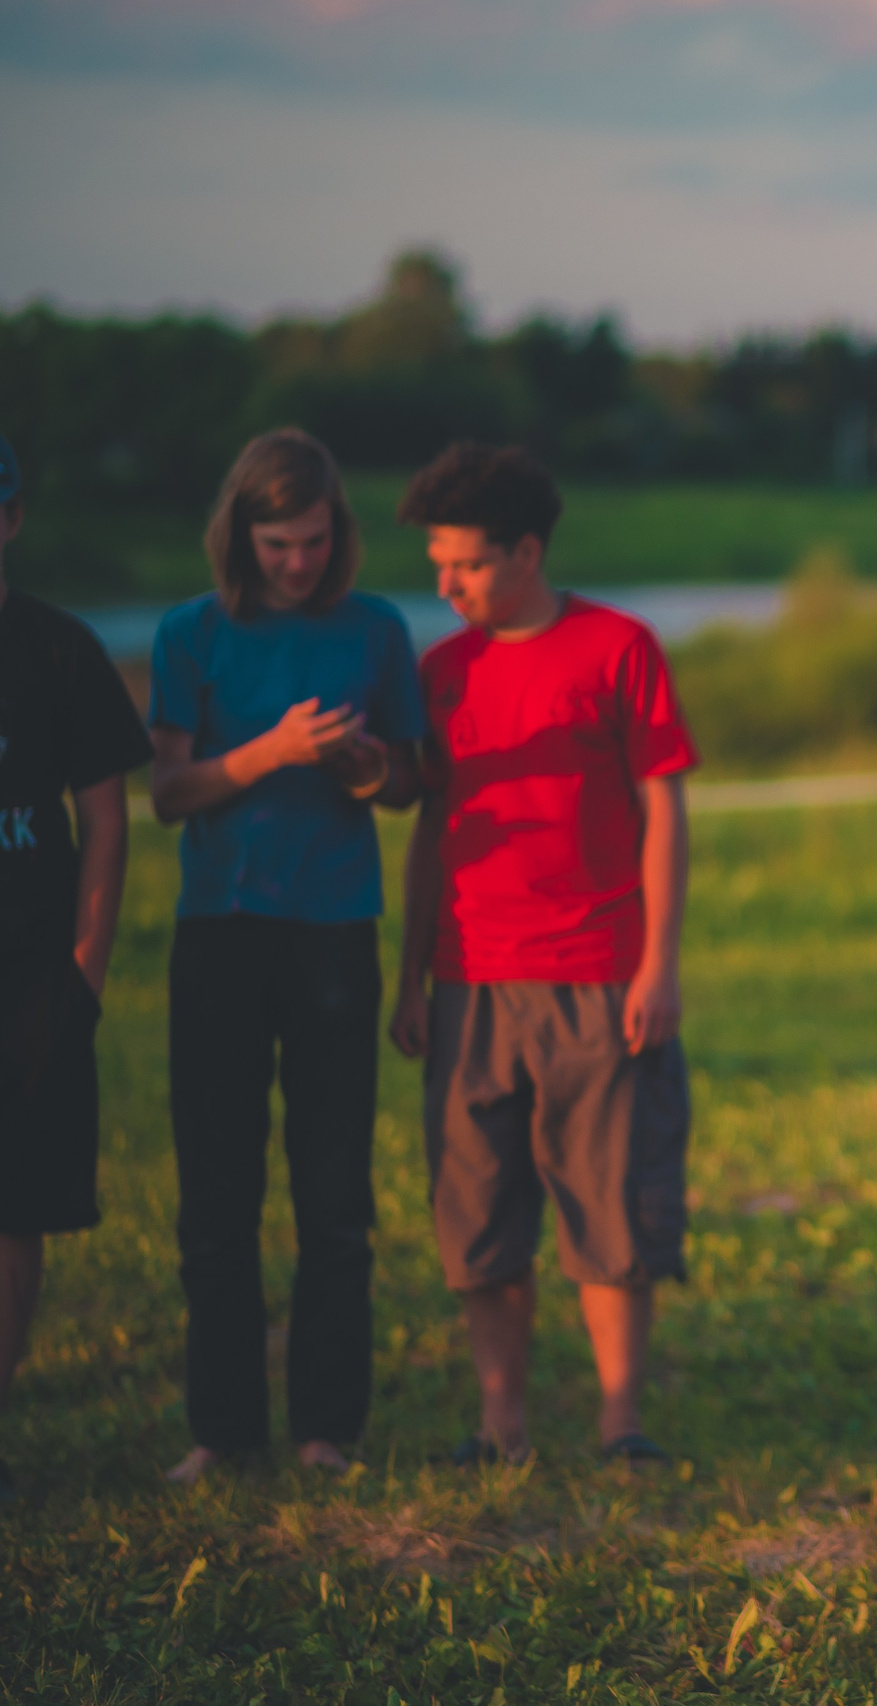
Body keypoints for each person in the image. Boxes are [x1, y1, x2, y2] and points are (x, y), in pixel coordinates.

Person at [388, 443, 697, 1467]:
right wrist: (411, 977)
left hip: (599, 974)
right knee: (477, 1210)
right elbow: (431, 828)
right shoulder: (440, 672)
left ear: (525, 550)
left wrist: (658, 964)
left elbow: (663, 804)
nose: (446, 585)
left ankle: (621, 1423)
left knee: (609, 1201)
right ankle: (500, 1424)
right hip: (468, 979)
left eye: (465, 564)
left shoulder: (618, 646)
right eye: (438, 564)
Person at [148, 430, 425, 1483]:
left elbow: (405, 785)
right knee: (217, 1193)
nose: (297, 562)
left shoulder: (376, 628)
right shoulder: (190, 632)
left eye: (312, 541)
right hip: (219, 932)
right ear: (240, 534)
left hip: (335, 929)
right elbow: (167, 793)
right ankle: (220, 1430)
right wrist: (273, 750)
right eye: (277, 543)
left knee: (335, 1192)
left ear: (337, 533)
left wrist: (361, 768)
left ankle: (326, 1429)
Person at [0, 431, 152, 1505]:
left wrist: (85, 971)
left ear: (9, 517)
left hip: (30, 980)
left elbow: (106, 818)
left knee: (16, 1211)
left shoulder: (58, 649)